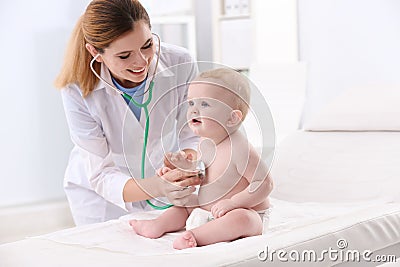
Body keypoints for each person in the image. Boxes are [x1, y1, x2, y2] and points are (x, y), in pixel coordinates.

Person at [54, 0, 202, 225]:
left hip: (162, 182)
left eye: (147, 44)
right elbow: (101, 173)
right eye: (124, 56)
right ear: (96, 52)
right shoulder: (76, 88)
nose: (141, 61)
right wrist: (157, 186)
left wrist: (186, 160)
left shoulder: (180, 62)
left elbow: (192, 130)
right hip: (101, 198)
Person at [129, 68, 274, 249]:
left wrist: (233, 203)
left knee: (242, 219)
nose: (193, 111)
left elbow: (264, 183)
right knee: (186, 204)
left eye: (204, 104)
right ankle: (156, 225)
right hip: (210, 210)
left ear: (232, 118)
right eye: (191, 103)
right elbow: (205, 175)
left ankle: (195, 236)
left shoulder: (240, 148)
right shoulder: (205, 142)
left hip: (247, 211)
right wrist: (181, 169)